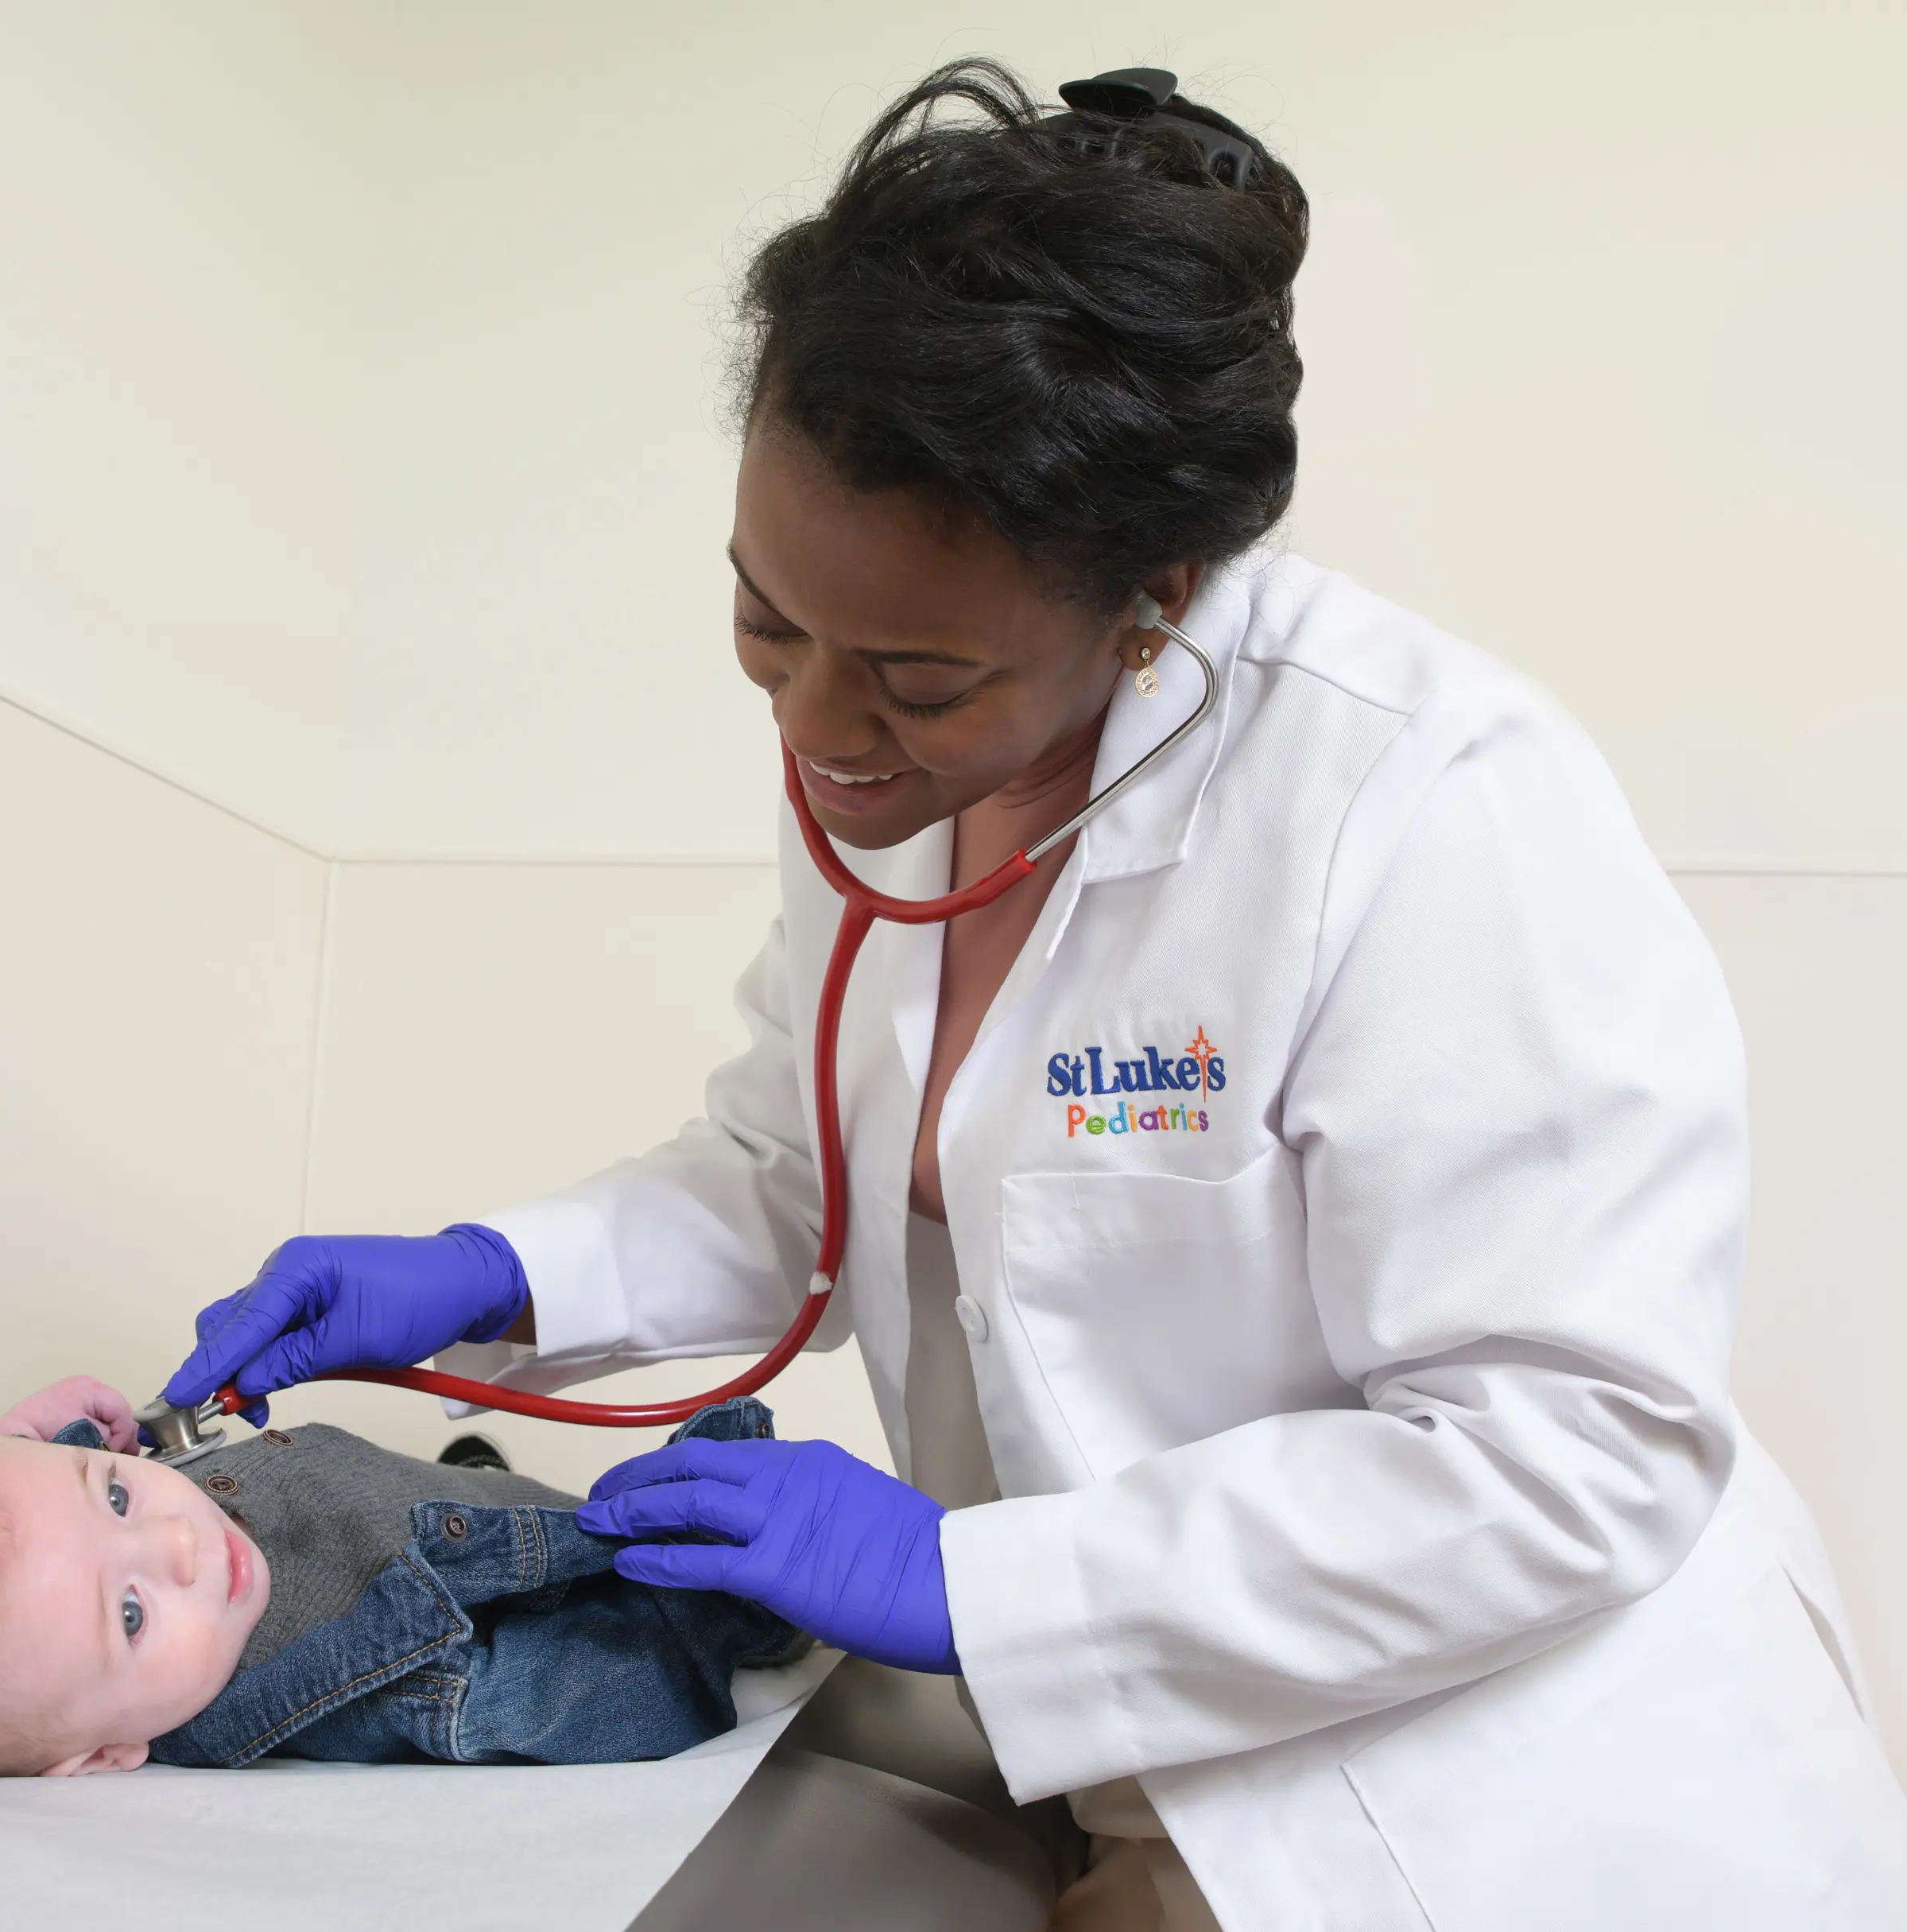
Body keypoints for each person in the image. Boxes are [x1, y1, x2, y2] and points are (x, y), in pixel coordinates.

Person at [162, 60, 1907, 1931]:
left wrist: (978, 1585)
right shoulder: (898, 795)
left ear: (1148, 599)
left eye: (910, 677)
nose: (817, 729)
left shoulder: (1424, 798)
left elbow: (1577, 1453)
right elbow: (799, 1167)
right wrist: (490, 1273)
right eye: (764, 618)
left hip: (1501, 1809)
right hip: (1131, 1780)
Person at [0, 1375, 803, 1779]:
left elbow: (12, 1525)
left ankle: (471, 1477)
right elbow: (568, 1691)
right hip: (552, 1559)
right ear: (99, 1753)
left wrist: (19, 1443)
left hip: (435, 1492)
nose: (177, 1542)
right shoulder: (361, 1677)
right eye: (129, 1614)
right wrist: (727, 1617)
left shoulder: (94, 1560)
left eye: (116, 1494)